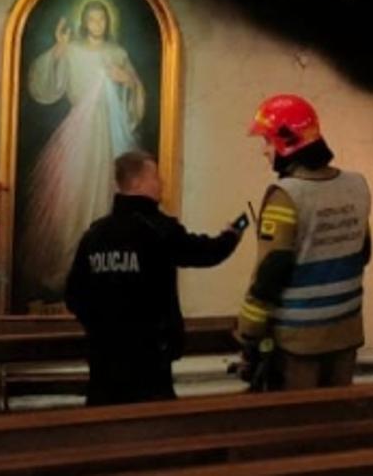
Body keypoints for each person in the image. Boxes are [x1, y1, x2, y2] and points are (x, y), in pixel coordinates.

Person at [65, 150, 243, 406]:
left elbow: (74, 295)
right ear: (138, 182)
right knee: (153, 422)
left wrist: (101, 327)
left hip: (103, 356)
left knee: (104, 421)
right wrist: (231, 236)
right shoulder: (158, 229)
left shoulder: (95, 235)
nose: (162, 183)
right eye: (156, 177)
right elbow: (205, 253)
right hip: (150, 358)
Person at [235, 94, 372, 391]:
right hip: (346, 332)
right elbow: (364, 252)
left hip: (299, 341)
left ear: (286, 142)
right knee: (337, 414)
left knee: (299, 416)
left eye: (267, 141)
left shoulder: (286, 195)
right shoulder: (357, 186)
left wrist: (249, 330)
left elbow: (272, 270)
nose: (264, 151)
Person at [21, 0, 148, 304]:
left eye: (101, 19)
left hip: (110, 132)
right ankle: (71, 264)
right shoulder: (73, 50)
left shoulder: (117, 53)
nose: (97, 24)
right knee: (73, 194)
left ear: (108, 22)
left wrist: (128, 81)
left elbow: (135, 91)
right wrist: (59, 49)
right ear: (84, 22)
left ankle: (106, 266)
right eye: (91, 19)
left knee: (108, 190)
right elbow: (44, 83)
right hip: (80, 130)